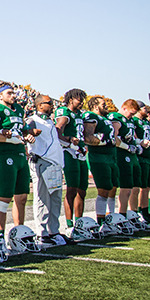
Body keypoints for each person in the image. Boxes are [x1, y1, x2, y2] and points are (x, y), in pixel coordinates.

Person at [0, 84, 38, 241]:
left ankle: (19, 232)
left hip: (20, 153)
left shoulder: (19, 110)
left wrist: (27, 136)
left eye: (13, 92)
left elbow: (22, 130)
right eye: (9, 93)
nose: (13, 95)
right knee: (5, 197)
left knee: (22, 197)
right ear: (0, 96)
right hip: (6, 153)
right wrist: (9, 139)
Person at [25, 95, 67, 245]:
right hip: (42, 160)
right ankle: (41, 232)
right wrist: (30, 133)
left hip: (54, 162)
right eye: (49, 103)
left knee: (55, 198)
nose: (52, 105)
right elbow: (25, 132)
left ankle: (54, 230)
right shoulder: (32, 119)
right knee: (42, 198)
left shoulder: (50, 121)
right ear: (39, 105)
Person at [54, 89, 89, 230]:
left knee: (82, 189)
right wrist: (69, 142)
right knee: (72, 189)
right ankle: (69, 225)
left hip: (80, 152)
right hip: (69, 152)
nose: (81, 102)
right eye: (79, 99)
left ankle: (79, 222)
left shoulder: (80, 114)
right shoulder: (64, 112)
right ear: (70, 99)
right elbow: (58, 131)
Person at [82, 96, 119, 224]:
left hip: (111, 156)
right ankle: (101, 221)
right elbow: (87, 137)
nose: (106, 106)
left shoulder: (106, 118)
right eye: (103, 104)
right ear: (95, 106)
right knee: (103, 190)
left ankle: (112, 217)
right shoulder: (91, 116)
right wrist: (103, 142)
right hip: (99, 157)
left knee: (113, 188)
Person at [107, 99, 145, 217]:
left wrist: (141, 143)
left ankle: (133, 215)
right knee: (124, 188)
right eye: (131, 113)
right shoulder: (116, 117)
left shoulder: (130, 120)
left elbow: (133, 137)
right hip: (120, 154)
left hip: (131, 156)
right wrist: (127, 147)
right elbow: (114, 138)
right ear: (124, 108)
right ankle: (119, 215)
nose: (132, 116)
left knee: (135, 188)